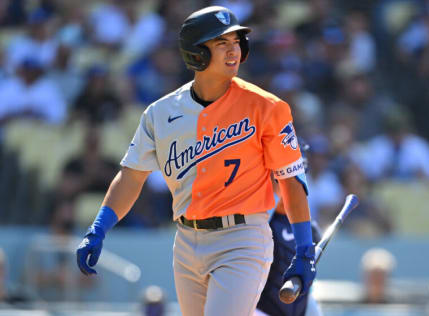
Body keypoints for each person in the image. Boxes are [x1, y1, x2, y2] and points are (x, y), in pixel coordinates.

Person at [76, 6, 316, 316]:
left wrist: (305, 249)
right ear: (196, 54)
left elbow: (291, 180)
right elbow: (130, 177)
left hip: (242, 239)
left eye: (236, 41)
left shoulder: (267, 107)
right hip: (186, 242)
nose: (233, 50)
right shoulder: (160, 114)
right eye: (221, 43)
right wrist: (98, 228)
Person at [256, 140, 323, 316]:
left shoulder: (311, 230)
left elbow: (307, 289)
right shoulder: (257, 223)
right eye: (281, 180)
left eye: (297, 180)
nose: (289, 187)